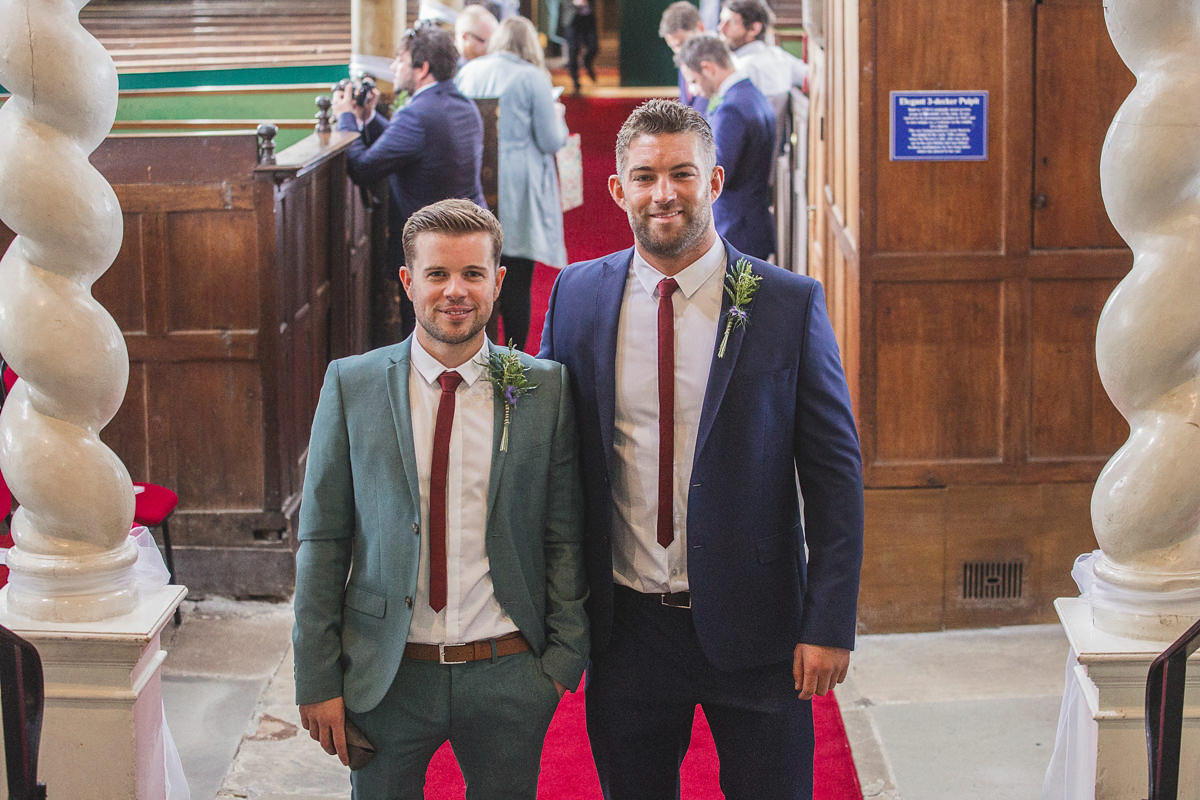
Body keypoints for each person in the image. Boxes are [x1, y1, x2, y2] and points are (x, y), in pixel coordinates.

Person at [538, 99, 863, 800]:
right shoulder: (577, 297)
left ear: (714, 181)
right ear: (617, 188)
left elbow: (836, 478)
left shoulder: (785, 303)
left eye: (682, 174)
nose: (665, 194)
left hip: (759, 625)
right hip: (624, 630)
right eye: (646, 176)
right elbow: (547, 457)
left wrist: (831, 623)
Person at [293, 198, 589, 798]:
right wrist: (318, 677)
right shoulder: (353, 386)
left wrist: (559, 665)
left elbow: (564, 534)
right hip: (389, 673)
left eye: (473, 274)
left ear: (499, 281)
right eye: (437, 274)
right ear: (408, 281)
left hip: (507, 672)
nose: (455, 291)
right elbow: (323, 541)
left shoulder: (542, 389)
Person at [334, 23, 486, 342]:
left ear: (422, 69)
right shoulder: (463, 105)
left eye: (400, 59)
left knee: (424, 339)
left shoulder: (417, 115)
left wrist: (346, 116)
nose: (393, 67)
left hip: (433, 249)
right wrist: (370, 118)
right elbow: (413, 143)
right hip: (472, 238)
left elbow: (362, 169)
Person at [457, 16, 569, 351]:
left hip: (474, 182)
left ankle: (473, 352)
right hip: (517, 190)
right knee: (517, 280)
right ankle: (515, 360)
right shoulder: (532, 77)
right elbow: (550, 140)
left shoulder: (470, 72)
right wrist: (559, 117)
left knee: (475, 273)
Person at [677, 34, 776, 260]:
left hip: (737, 229)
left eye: (693, 81)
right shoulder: (751, 95)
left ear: (708, 68)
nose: (693, 91)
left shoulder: (732, 108)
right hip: (750, 221)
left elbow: (717, 171)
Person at [718, 0, 808, 96]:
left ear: (754, 29)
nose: (721, 28)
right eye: (721, 21)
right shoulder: (778, 55)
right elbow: (810, 75)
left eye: (730, 22)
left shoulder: (742, 68)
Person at [658, 1, 710, 116]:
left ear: (700, 27)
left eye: (683, 44)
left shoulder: (721, 61)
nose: (680, 53)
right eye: (673, 47)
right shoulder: (683, 62)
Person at [561, 0, 599, 93]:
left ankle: (587, 63)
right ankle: (575, 81)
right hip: (572, 20)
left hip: (588, 18)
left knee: (593, 47)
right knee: (573, 51)